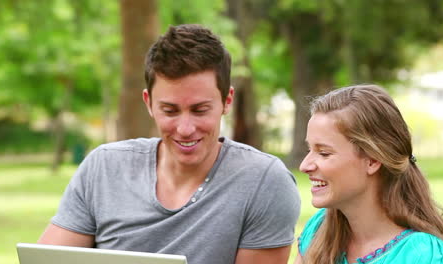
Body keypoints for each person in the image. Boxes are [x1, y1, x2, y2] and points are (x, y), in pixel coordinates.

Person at [37, 24, 300, 264]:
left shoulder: (263, 183)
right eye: (170, 111)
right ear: (148, 102)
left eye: (199, 110)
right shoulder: (103, 168)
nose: (185, 129)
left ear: (227, 100)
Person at [294, 85, 443, 264]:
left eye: (324, 153)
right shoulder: (319, 229)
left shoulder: (421, 255)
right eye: (309, 150)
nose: (304, 166)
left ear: (372, 160)